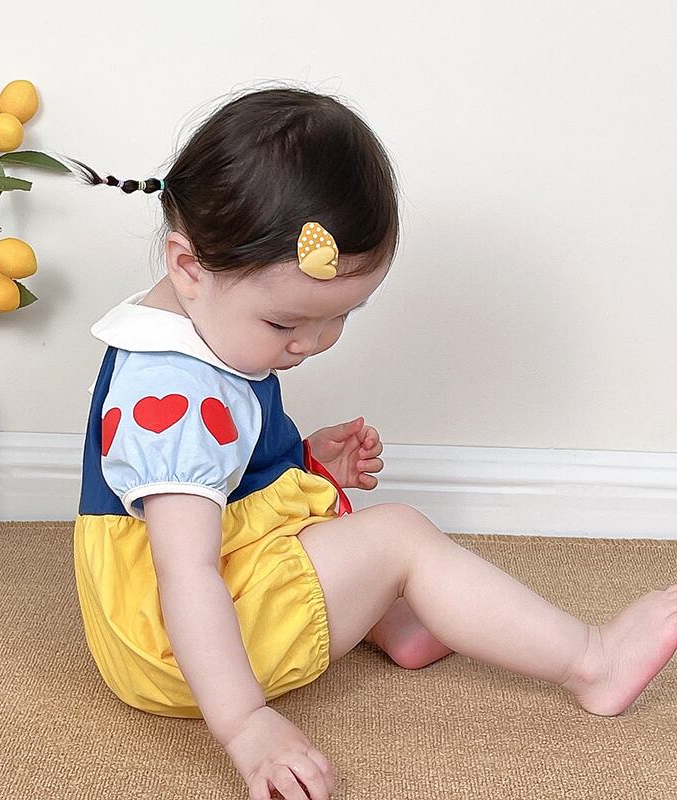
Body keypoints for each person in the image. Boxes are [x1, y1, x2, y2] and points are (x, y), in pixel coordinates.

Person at [66, 86, 677, 800]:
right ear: (189, 265)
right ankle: (593, 662)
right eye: (286, 324)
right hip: (173, 649)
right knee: (400, 536)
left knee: (330, 517)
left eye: (341, 318)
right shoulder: (175, 396)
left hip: (192, 602)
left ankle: (397, 622)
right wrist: (246, 725)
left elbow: (216, 477)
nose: (313, 344)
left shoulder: (196, 322)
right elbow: (186, 573)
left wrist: (298, 462)